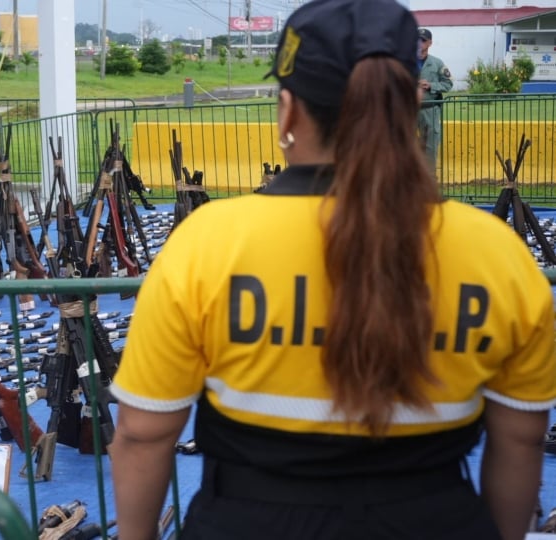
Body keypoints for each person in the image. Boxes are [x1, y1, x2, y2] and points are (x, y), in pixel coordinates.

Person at [108, 1, 556, 539]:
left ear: (288, 111)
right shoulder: (496, 251)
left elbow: (143, 433)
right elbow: (523, 439)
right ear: (413, 101)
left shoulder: (207, 243)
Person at [417, 27, 453, 172]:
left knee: (430, 147)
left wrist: (431, 85)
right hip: (409, 111)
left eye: (423, 41)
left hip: (430, 110)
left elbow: (448, 84)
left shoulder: (437, 63)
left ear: (430, 43)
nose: (419, 44)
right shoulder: (405, 61)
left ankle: (430, 181)